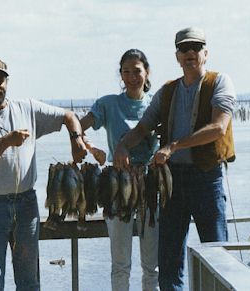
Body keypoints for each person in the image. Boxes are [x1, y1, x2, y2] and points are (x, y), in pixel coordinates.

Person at [113, 27, 236, 291]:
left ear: (206, 53)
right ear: (177, 56)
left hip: (207, 179)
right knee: (168, 263)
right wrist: (122, 146)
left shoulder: (220, 82)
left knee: (218, 259)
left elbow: (218, 128)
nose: (190, 52)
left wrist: (173, 145)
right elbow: (143, 127)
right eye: (184, 48)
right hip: (172, 183)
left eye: (195, 47)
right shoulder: (167, 91)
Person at [0, 57, 87, 291]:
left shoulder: (27, 108)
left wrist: (76, 141)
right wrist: (5, 142)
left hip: (26, 205)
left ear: (6, 83)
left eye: (0, 80)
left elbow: (69, 116)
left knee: (29, 282)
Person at [80, 49, 159, 291]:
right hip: (118, 183)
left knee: (152, 265)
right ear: (120, 76)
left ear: (146, 73)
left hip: (150, 182)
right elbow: (77, 128)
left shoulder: (156, 103)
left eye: (137, 71)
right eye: (126, 72)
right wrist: (92, 149)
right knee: (120, 263)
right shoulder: (108, 104)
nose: (132, 77)